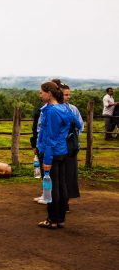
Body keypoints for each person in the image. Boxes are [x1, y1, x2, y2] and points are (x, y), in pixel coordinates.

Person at [36, 81, 82, 229]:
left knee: (50, 187)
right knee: (61, 184)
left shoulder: (51, 112)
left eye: (42, 92)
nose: (40, 94)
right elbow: (78, 124)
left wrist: (47, 159)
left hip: (51, 152)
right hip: (63, 151)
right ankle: (60, 218)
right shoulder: (65, 108)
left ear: (49, 94)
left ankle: (52, 219)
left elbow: (50, 137)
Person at [62, 84, 84, 210]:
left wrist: (72, 138)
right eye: (66, 94)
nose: (68, 97)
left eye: (69, 94)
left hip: (70, 147)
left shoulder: (73, 109)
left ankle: (65, 202)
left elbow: (80, 126)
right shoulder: (52, 108)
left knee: (69, 174)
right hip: (59, 147)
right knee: (60, 175)